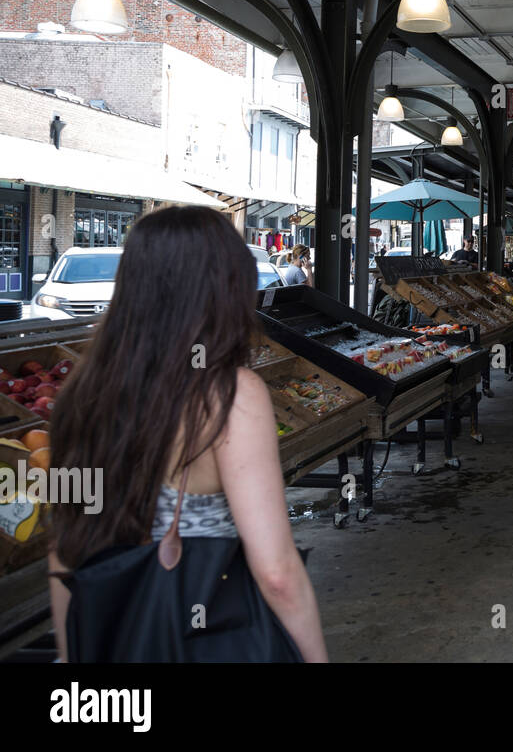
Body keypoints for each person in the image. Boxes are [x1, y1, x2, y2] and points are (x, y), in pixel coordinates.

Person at [47, 205, 328, 661]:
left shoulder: (79, 396)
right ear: (222, 287)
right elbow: (276, 573)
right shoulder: (229, 395)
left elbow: (64, 551)